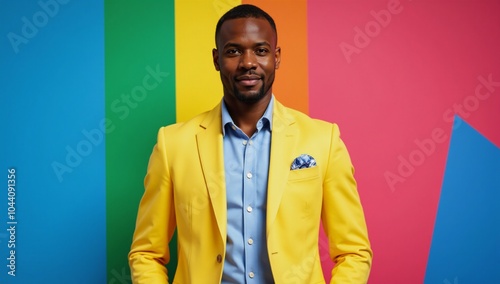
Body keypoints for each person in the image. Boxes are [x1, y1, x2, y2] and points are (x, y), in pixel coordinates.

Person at [128, 4, 372, 284]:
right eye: (233, 51)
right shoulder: (173, 145)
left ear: (276, 57)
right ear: (217, 59)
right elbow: (147, 252)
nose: (248, 62)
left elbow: (354, 251)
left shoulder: (322, 139)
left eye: (261, 50)